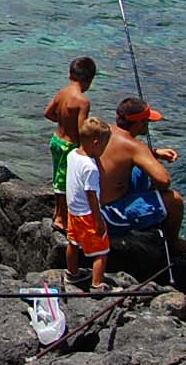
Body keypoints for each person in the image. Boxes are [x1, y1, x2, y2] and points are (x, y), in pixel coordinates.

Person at [100, 97, 186, 255]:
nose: (148, 125)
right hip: (110, 218)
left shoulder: (105, 131)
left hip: (93, 206)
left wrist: (154, 154)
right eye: (147, 121)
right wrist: (151, 161)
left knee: (139, 169)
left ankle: (148, 218)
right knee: (174, 200)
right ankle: (173, 242)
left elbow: (121, 158)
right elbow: (164, 181)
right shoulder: (135, 146)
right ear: (140, 123)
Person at [44, 56, 97, 231]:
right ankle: (61, 218)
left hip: (56, 140)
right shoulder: (83, 101)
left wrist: (63, 122)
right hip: (69, 146)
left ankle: (57, 211)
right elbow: (83, 129)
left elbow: (48, 113)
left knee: (57, 177)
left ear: (69, 74)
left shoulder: (62, 92)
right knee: (65, 182)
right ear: (89, 80)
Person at [66, 116, 112, 288]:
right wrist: (98, 219)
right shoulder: (90, 167)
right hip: (87, 214)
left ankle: (72, 273)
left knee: (73, 242)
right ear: (95, 142)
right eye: (104, 145)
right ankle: (97, 284)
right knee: (102, 251)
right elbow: (91, 194)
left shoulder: (72, 155)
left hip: (73, 211)